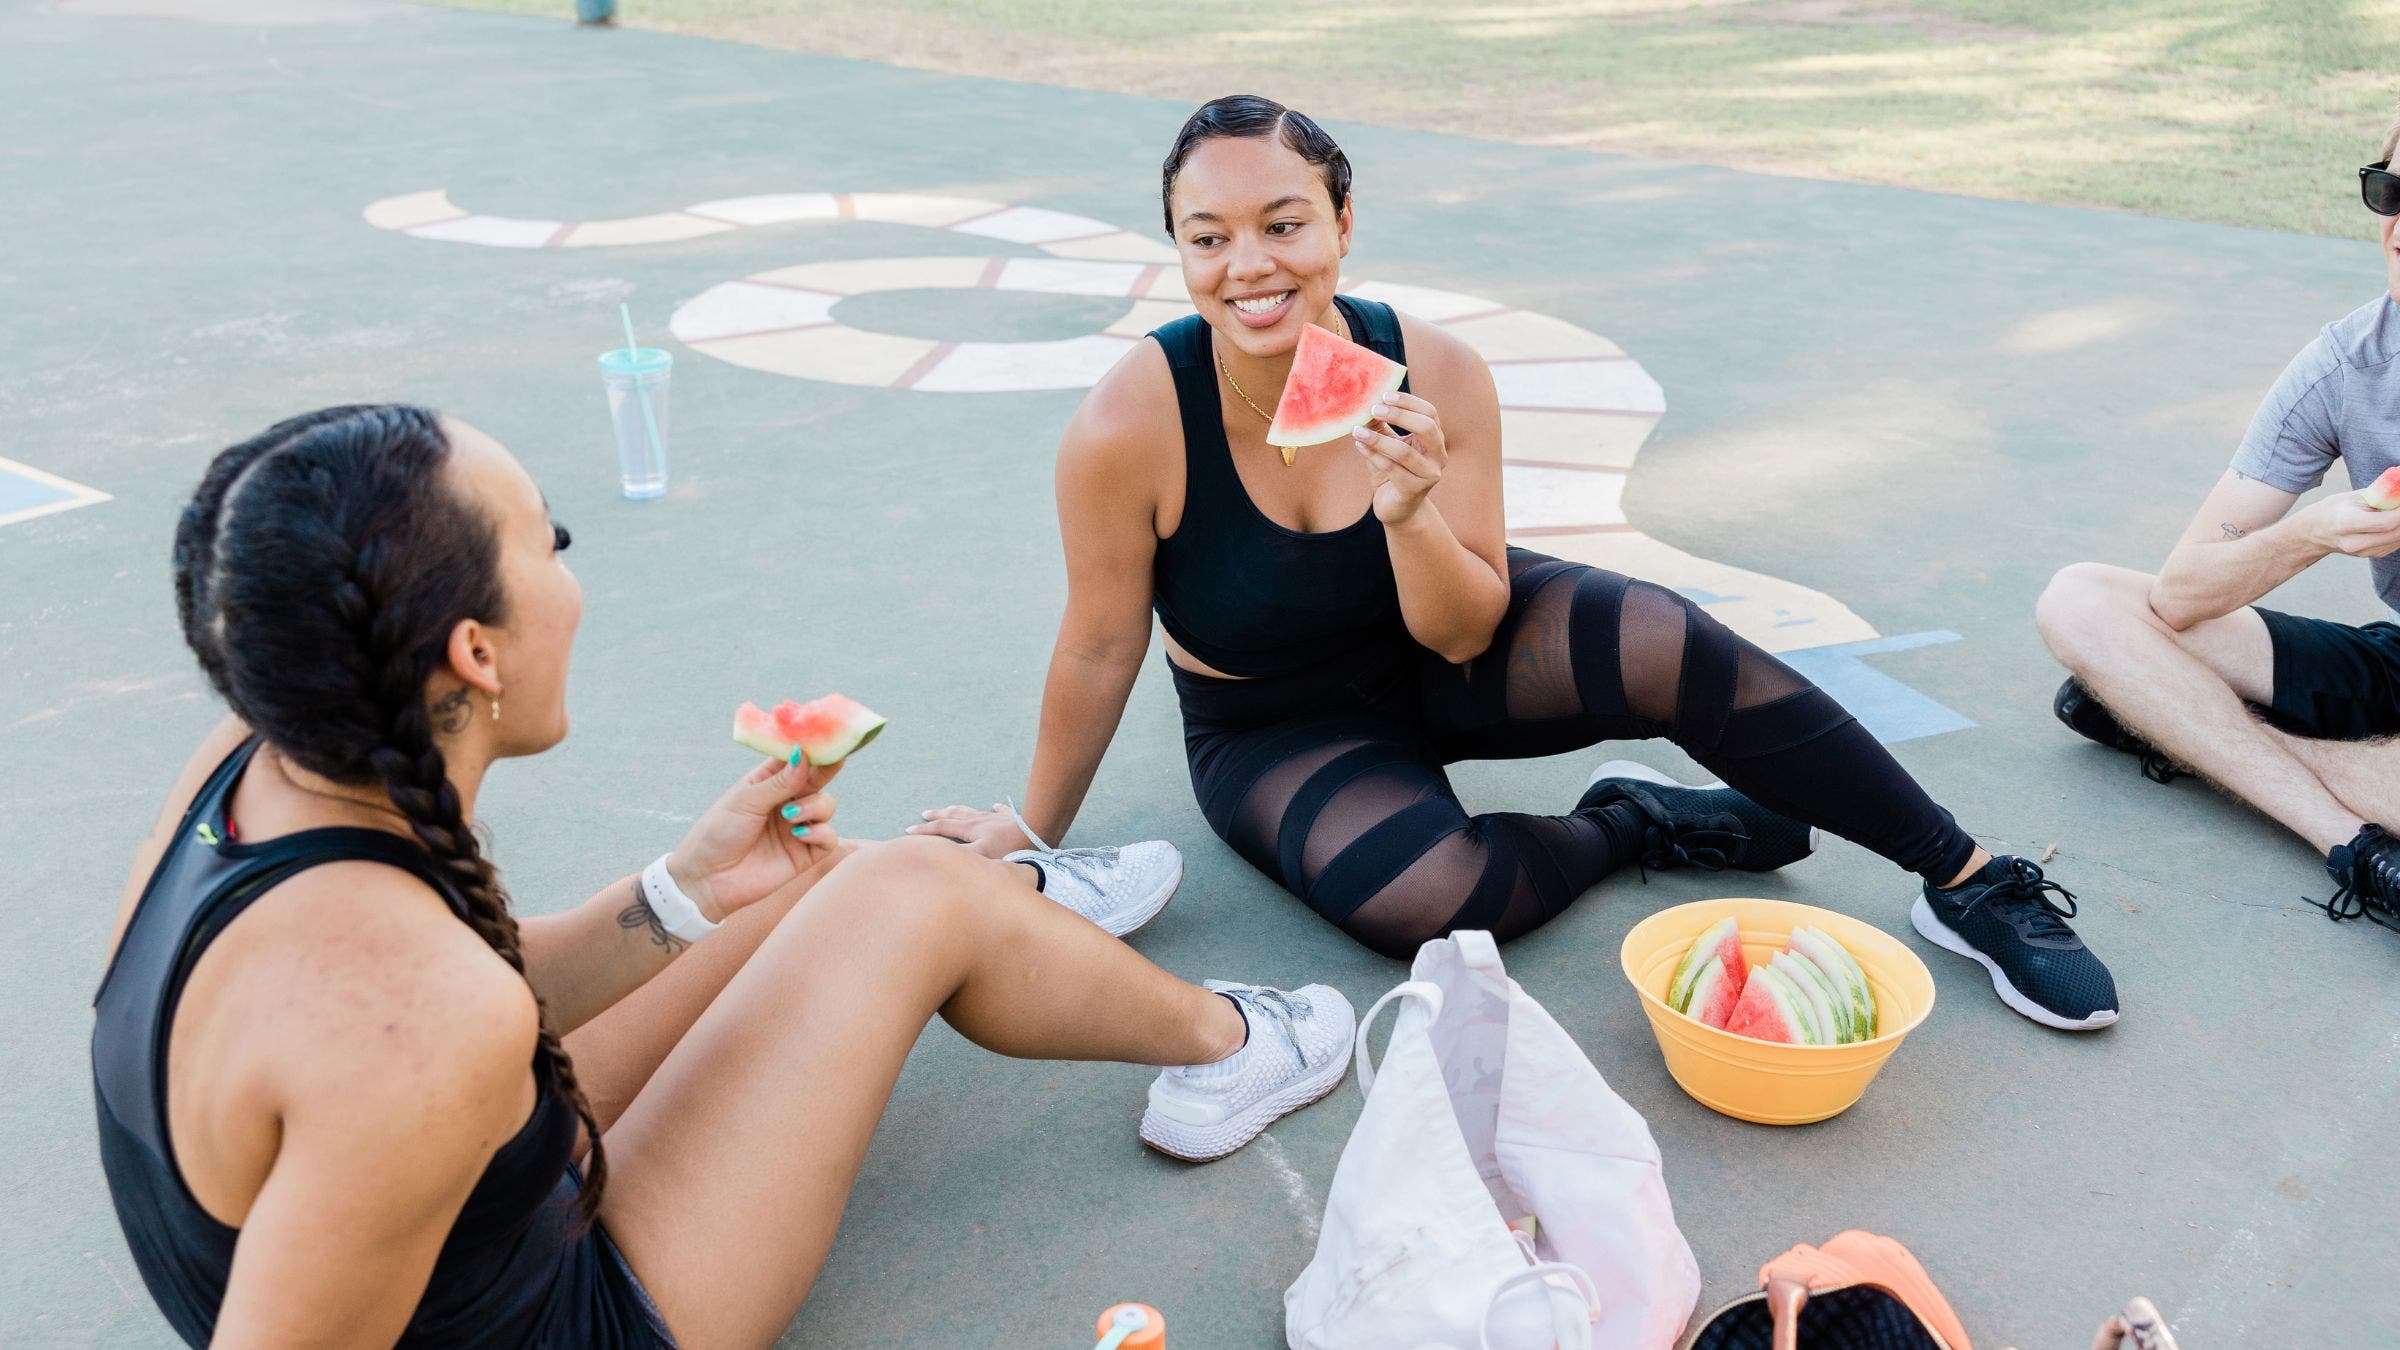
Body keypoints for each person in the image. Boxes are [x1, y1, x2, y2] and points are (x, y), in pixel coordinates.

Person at [92, 406, 1354, 1347]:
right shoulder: (423, 1033)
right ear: (476, 653)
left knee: (821, 880)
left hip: (449, 1219)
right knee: (907, 893)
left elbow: (461, 994)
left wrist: (682, 895)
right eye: (555, 542)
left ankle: (1016, 914)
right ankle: (1232, 1035)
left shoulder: (266, 756)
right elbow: (429, 1037)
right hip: (564, 1314)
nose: (572, 575)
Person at [915, 95, 2119, 1031]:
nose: (1252, 267)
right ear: (1177, 253)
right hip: (1271, 727)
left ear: (1341, 223)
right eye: (1208, 237)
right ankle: (1634, 823)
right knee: (1433, 907)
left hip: (1444, 645)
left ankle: (1964, 877)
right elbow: (1101, 641)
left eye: (1284, 224)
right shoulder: (1131, 424)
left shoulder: (1436, 370)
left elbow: (1459, 630)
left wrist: (1407, 511)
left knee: (1664, 636)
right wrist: (1031, 830)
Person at [2036, 107, 2400, 934]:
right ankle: (2353, 848)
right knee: (2080, 600)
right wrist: (2311, 531)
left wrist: (2201, 730)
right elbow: (2180, 593)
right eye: (2393, 191)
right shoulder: (2348, 365)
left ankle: (2186, 731)